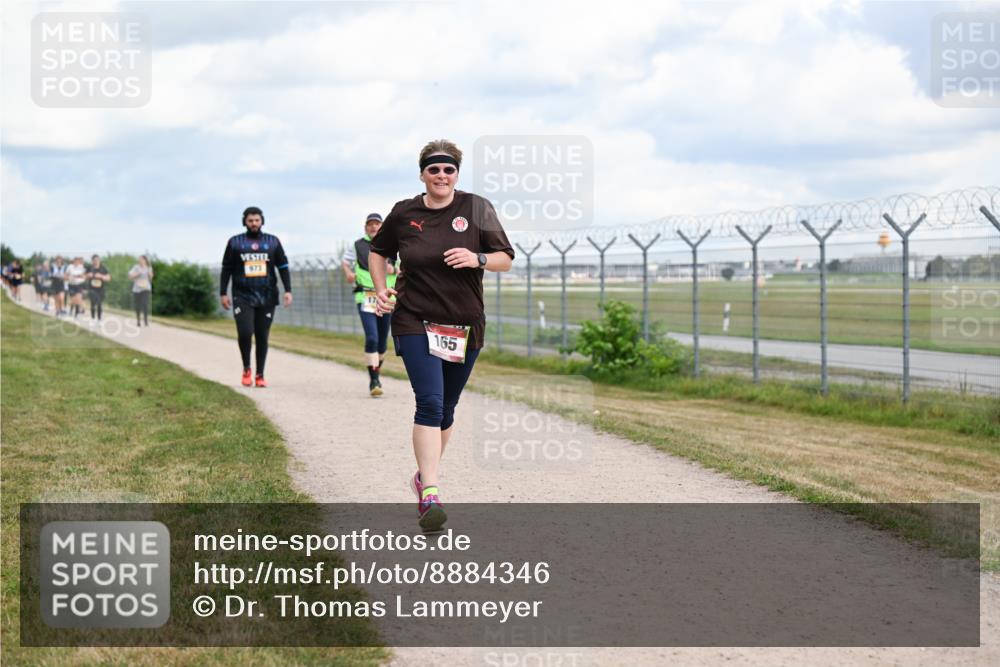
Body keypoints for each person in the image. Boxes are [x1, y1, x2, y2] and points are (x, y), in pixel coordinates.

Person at [369, 139, 514, 532]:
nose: (441, 176)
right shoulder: (404, 212)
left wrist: (477, 258)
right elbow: (378, 251)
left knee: (447, 409)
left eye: (448, 170)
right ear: (422, 174)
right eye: (434, 169)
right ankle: (430, 491)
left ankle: (421, 476)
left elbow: (505, 258)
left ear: (457, 175)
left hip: (464, 323)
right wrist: (382, 290)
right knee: (430, 402)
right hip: (415, 319)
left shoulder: (476, 208)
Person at [219, 206, 293, 388]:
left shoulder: (273, 242)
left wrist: (288, 290)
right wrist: (223, 292)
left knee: (262, 336)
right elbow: (226, 269)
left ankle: (260, 374)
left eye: (257, 220)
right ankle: (246, 369)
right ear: (245, 221)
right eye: (250, 220)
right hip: (242, 295)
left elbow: (283, 267)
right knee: (245, 332)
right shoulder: (235, 242)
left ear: (262, 221)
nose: (254, 223)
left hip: (267, 295)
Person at [341, 212, 398, 396]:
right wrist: (348, 273)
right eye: (370, 224)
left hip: (387, 297)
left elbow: (406, 265)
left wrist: (394, 269)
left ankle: (376, 371)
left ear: (382, 227)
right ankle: (374, 380)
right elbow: (345, 261)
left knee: (382, 341)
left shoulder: (393, 243)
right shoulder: (358, 245)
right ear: (365, 227)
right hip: (365, 296)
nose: (374, 227)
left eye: (377, 224)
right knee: (372, 337)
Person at [128, 255, 154, 326]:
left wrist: (149, 273)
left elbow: (151, 277)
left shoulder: (149, 267)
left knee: (145, 304)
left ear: (145, 260)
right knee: (137, 305)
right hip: (137, 289)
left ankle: (146, 320)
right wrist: (137, 273)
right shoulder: (136, 267)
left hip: (146, 288)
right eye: (139, 259)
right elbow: (130, 276)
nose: (140, 261)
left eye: (142, 259)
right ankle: (138, 320)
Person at [87, 255, 111, 321]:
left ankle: (99, 319)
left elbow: (109, 278)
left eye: (97, 260)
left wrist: (101, 276)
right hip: (92, 288)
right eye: (94, 260)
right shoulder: (89, 267)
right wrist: (89, 275)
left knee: (99, 304)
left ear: (99, 260)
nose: (96, 261)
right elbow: (84, 276)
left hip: (101, 289)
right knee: (93, 303)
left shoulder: (103, 268)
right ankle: (92, 318)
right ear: (92, 261)